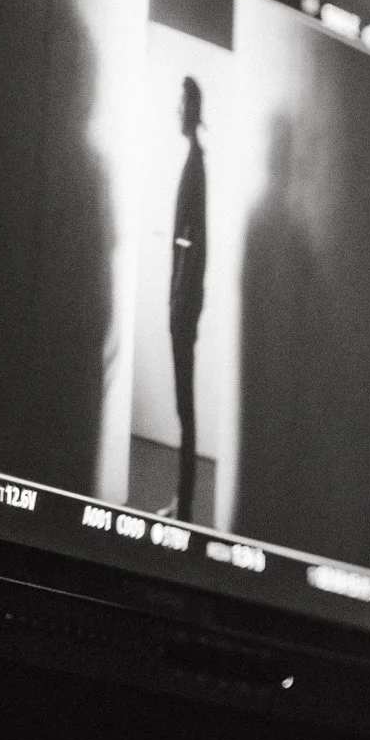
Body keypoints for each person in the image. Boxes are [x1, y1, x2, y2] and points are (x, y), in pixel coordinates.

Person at [168, 75, 208, 522]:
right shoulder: (194, 161)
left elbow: (192, 241)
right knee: (184, 404)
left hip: (184, 305)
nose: (176, 112)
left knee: (185, 405)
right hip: (183, 302)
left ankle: (186, 506)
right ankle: (184, 502)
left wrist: (179, 301)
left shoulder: (196, 164)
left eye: (181, 105)